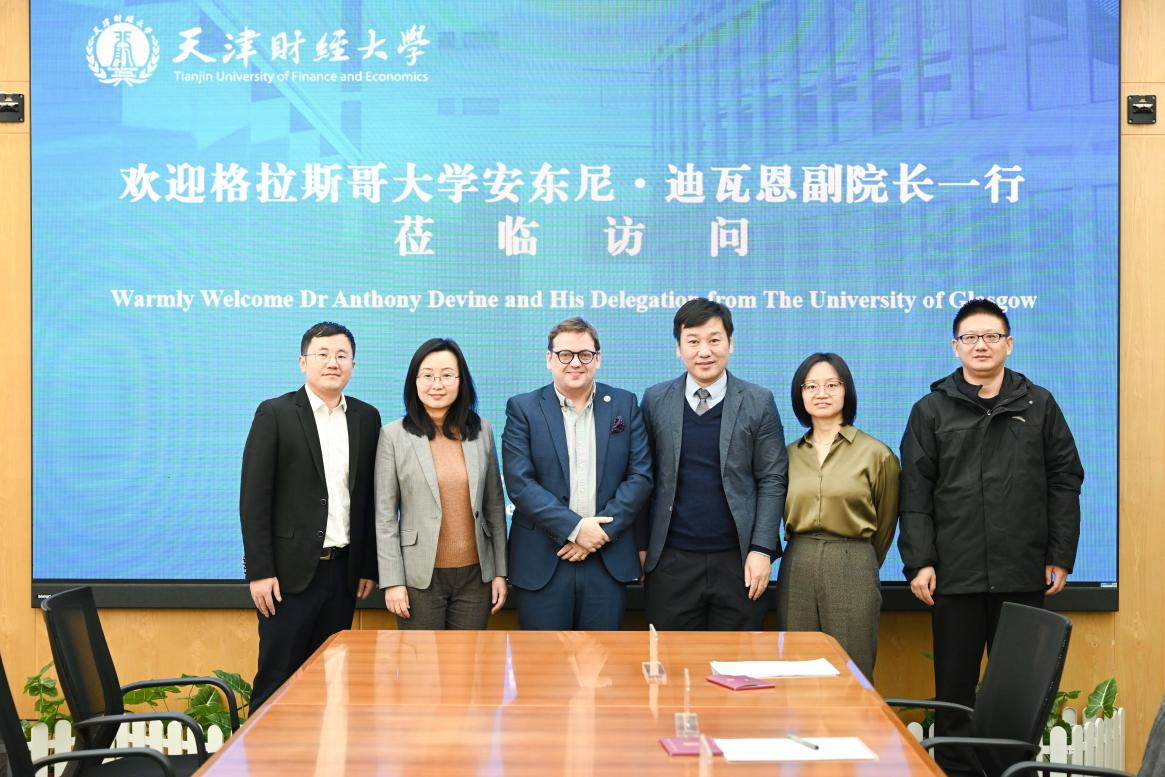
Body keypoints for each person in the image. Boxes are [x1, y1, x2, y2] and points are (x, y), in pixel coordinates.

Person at [899, 298, 1084, 774]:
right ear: (955, 347)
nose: (980, 345)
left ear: (1009, 344)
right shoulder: (931, 410)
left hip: (1022, 574)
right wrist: (920, 561)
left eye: (991, 336)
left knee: (1018, 698)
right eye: (970, 337)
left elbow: (1065, 479)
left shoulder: (1039, 405)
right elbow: (914, 492)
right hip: (955, 578)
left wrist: (1060, 554)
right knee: (954, 696)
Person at [240, 322, 381, 710]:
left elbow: (368, 498)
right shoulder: (275, 413)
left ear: (353, 365)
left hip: (343, 574)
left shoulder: (367, 418)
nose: (333, 362)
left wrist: (366, 565)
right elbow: (253, 499)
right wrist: (259, 571)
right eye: (323, 354)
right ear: (303, 362)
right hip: (287, 577)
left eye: (342, 355)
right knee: (277, 679)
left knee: (329, 683)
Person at [637, 298, 787, 630]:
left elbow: (773, 479)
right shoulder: (655, 400)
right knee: (673, 659)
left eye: (714, 340)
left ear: (730, 343)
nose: (704, 351)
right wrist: (642, 546)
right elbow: (642, 477)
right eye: (693, 341)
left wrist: (761, 549)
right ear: (679, 348)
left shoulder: (758, 401)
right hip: (671, 561)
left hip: (739, 561)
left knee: (739, 659)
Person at [502, 317, 652, 629]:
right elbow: (520, 483)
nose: (575, 363)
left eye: (585, 354)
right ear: (549, 359)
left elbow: (640, 476)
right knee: (542, 659)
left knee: (602, 658)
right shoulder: (523, 408)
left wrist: (599, 534)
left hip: (606, 558)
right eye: (565, 354)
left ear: (598, 359)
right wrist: (576, 529)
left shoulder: (624, 404)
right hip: (543, 560)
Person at [777, 353, 899, 679]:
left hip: (853, 560)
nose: (822, 393)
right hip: (798, 560)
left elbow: (886, 523)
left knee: (851, 671)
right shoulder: (786, 456)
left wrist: (857, 558)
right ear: (800, 394)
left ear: (847, 391)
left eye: (832, 385)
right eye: (811, 386)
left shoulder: (876, 454)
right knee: (798, 671)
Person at [374, 338, 508, 629]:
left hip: (476, 577)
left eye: (447, 375)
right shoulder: (393, 435)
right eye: (427, 375)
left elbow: (495, 507)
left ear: (461, 381)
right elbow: (384, 517)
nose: (437, 384)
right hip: (418, 577)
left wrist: (500, 572)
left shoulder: (482, 430)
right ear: (414, 381)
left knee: (468, 658)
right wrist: (393, 581)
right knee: (420, 659)